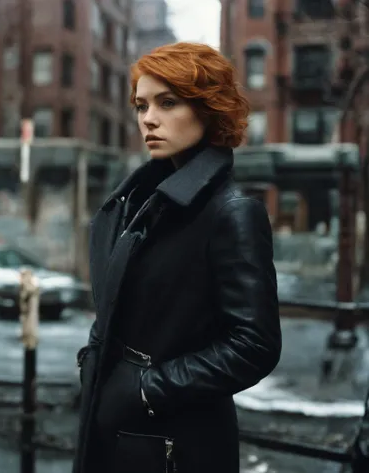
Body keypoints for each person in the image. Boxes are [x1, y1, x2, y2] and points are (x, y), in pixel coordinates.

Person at [73, 42, 282, 473]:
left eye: (168, 103)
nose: (148, 119)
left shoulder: (231, 211)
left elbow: (254, 345)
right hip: (121, 431)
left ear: (209, 109)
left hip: (177, 446)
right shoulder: (143, 205)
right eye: (141, 105)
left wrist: (150, 388)